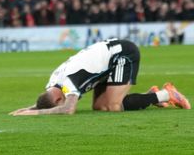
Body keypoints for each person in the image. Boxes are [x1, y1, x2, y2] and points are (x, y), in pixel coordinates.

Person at [10, 38, 191, 116]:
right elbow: (49, 100)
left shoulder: (68, 82)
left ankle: (167, 94)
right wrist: (26, 109)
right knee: (99, 107)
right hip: (104, 64)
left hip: (123, 54)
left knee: (113, 106)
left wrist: (34, 113)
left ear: (58, 97)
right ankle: (150, 95)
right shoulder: (52, 83)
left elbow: (68, 110)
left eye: (60, 100)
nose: (62, 100)